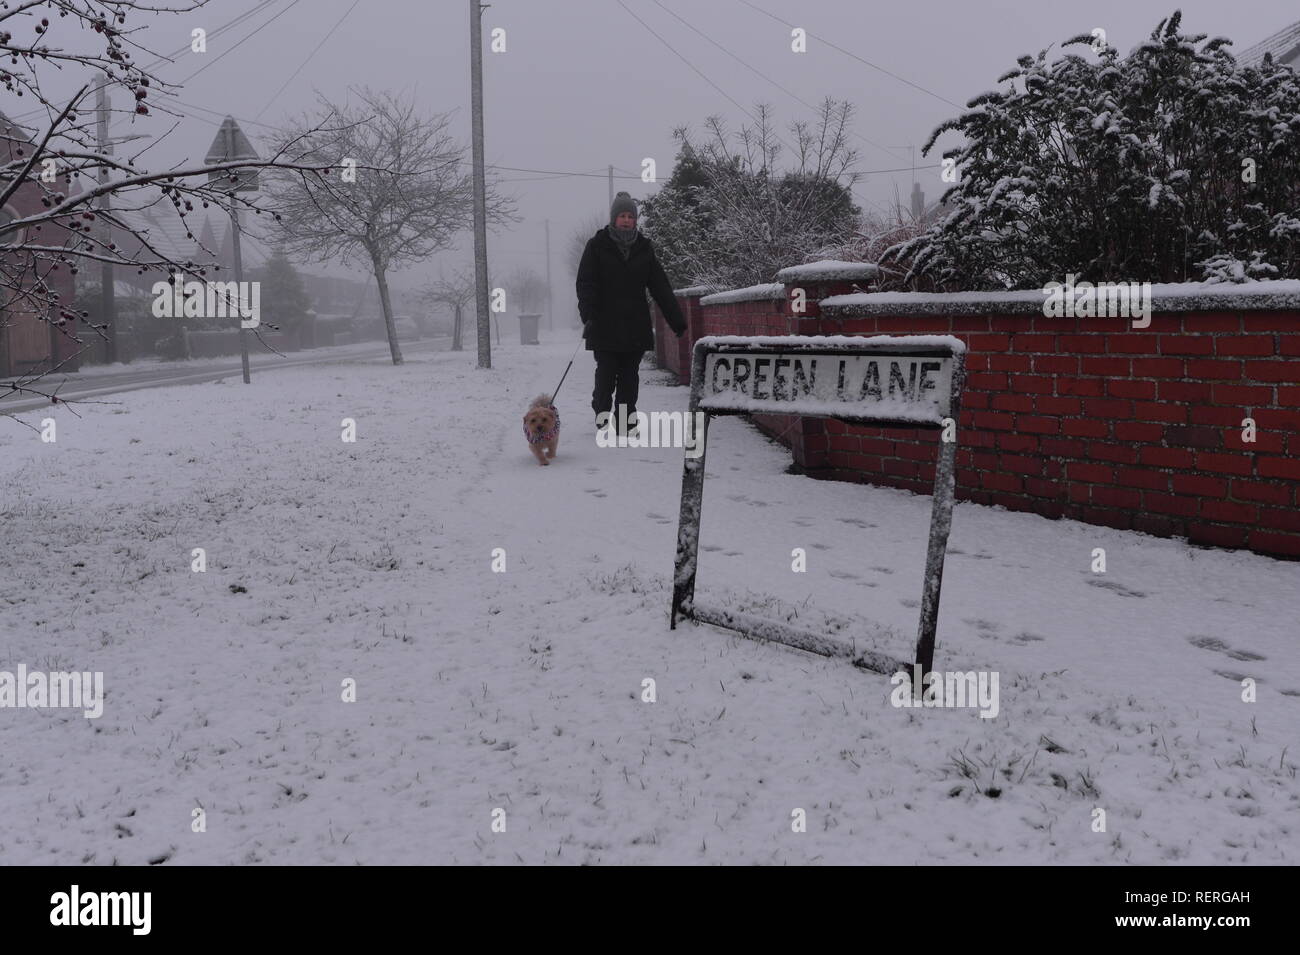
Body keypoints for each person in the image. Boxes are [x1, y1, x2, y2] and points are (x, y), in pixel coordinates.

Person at [576, 191, 686, 434]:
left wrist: (676, 321)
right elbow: (585, 283)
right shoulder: (597, 246)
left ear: (635, 220)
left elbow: (660, 286)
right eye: (622, 216)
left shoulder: (644, 249)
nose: (626, 220)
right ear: (613, 218)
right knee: (606, 373)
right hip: (604, 324)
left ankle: (625, 421)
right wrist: (589, 315)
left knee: (629, 376)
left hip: (635, 324)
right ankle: (602, 410)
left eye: (630, 216)